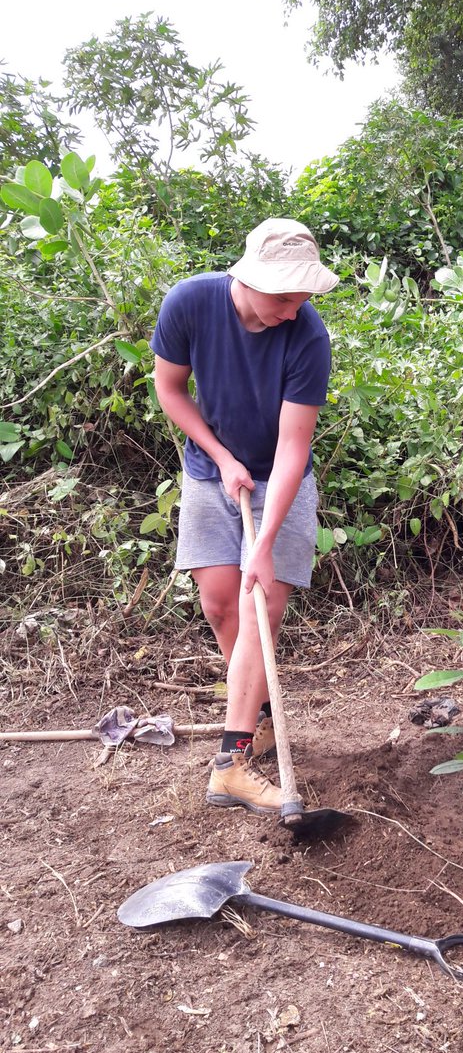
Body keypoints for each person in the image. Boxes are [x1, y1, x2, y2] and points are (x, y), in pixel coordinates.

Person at [151, 218, 339, 813]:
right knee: (221, 604)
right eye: (284, 296)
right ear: (248, 279)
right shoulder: (190, 303)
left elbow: (293, 446)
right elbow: (172, 390)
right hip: (212, 472)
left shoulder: (307, 335)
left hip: (282, 480)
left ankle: (230, 763)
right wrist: (222, 457)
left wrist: (265, 541)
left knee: (263, 610)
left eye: (303, 297)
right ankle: (255, 712)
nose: (294, 308)